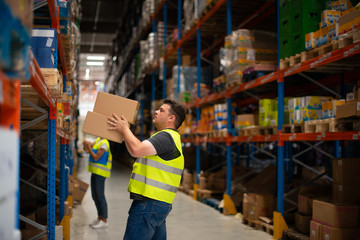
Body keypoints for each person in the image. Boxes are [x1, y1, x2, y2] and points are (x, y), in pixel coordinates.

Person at [107, 99, 186, 240]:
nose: (156, 111)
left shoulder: (166, 137)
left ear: (171, 118)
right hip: (160, 204)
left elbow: (136, 150)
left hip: (149, 204)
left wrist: (125, 129)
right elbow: (135, 149)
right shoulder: (172, 138)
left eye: (161, 110)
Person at [83, 137, 112, 229]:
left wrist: (89, 147)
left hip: (101, 173)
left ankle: (104, 220)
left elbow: (96, 158)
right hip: (95, 172)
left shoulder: (104, 143)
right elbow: (88, 149)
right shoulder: (98, 140)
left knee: (100, 196)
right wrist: (87, 144)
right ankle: (99, 218)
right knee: (94, 196)